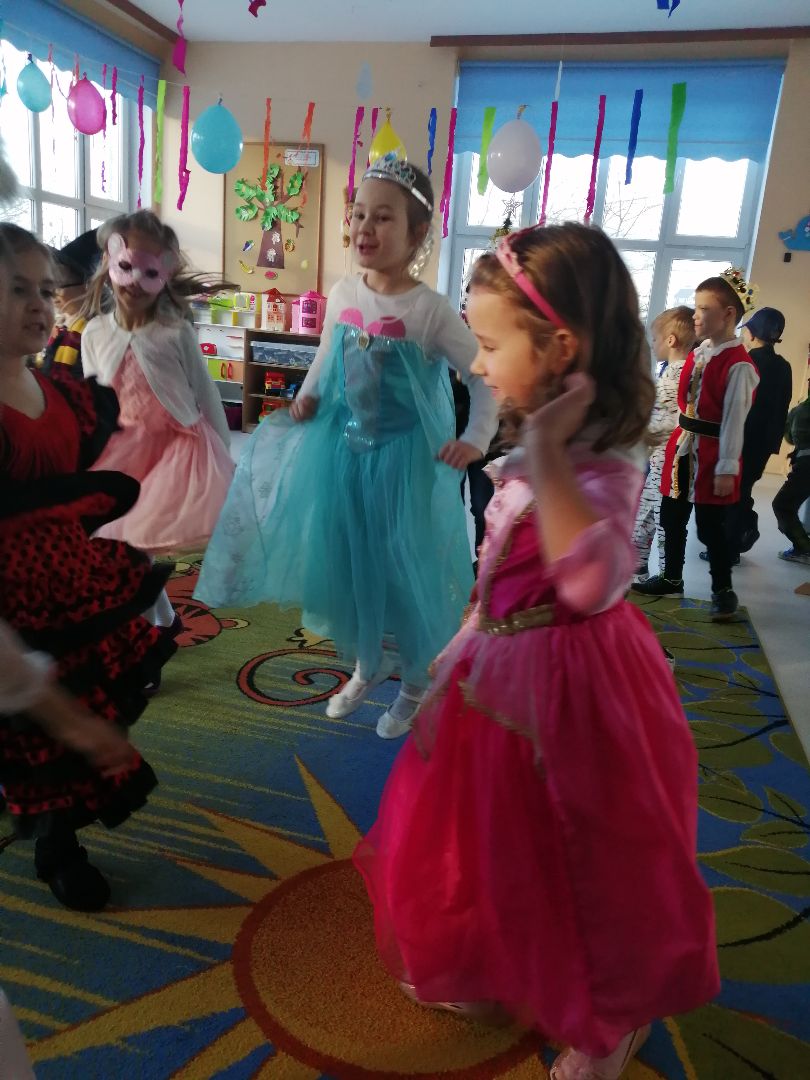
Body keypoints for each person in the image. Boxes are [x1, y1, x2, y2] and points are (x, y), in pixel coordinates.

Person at [353, 223, 719, 1079]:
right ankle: (498, 956)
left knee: (581, 853)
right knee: (493, 835)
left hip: (578, 692)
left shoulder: (605, 459)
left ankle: (609, 1021)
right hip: (501, 672)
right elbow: (498, 574)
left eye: (490, 346)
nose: (477, 366)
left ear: (560, 348)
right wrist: (462, 643)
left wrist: (548, 452)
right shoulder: (534, 444)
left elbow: (592, 581)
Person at [195, 156, 498, 738]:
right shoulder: (343, 292)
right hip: (343, 454)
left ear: (417, 233)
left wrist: (474, 438)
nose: (365, 227)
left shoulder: (429, 311)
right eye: (359, 214)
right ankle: (367, 662)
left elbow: (484, 377)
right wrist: (308, 397)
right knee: (350, 564)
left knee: (401, 572)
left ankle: (415, 682)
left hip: (404, 465)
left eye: (383, 217)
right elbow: (328, 356)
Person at [0, 223, 175, 911]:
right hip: (9, 606)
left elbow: (80, 481)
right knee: (25, 730)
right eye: (17, 290)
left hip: (68, 590)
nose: (39, 305)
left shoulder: (59, 392)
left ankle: (58, 842)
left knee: (67, 727)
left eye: (45, 291)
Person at [81, 210, 234, 556]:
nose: (135, 281)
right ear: (108, 262)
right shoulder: (94, 333)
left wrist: (222, 456)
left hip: (179, 451)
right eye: (126, 266)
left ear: (165, 275)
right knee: (119, 537)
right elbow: (92, 404)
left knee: (157, 535)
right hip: (124, 449)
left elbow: (206, 392)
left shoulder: (174, 332)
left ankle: (162, 594)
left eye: (150, 272)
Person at [633, 270, 759, 621]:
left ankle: (723, 590)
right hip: (681, 448)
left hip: (712, 453)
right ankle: (671, 578)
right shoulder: (700, 352)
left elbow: (734, 421)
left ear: (728, 315)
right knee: (671, 517)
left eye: (704, 309)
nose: (696, 316)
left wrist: (726, 468)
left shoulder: (739, 365)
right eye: (696, 307)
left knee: (708, 526)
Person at [715, 307, 792, 562]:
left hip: (740, 439)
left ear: (752, 333)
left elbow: (733, 404)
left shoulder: (745, 363)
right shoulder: (784, 367)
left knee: (733, 493)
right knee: (744, 489)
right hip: (763, 444)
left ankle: (730, 548)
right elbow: (782, 407)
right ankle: (742, 533)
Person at [632, 305, 693, 582]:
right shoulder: (677, 373)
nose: (653, 344)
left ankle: (667, 577)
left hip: (668, 464)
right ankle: (637, 570)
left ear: (670, 340)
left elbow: (666, 422)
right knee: (646, 516)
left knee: (661, 520)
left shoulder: (676, 377)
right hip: (660, 461)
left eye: (655, 339)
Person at [39, 229, 101, 377]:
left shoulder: (95, 333)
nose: (52, 293)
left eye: (60, 284)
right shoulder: (57, 327)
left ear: (87, 287)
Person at [772, 389, 810, 564]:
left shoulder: (802, 410)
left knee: (783, 505)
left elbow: (790, 437)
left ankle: (803, 549)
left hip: (806, 465)